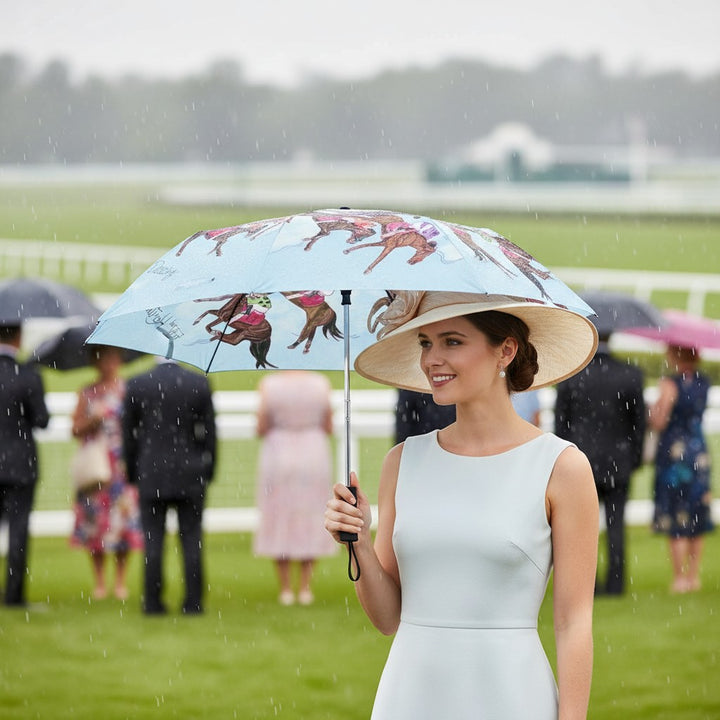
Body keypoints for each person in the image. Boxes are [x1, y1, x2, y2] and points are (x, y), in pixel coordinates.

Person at [325, 291, 599, 719]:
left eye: (452, 341)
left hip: (512, 696)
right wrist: (357, 541)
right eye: (425, 343)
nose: (432, 358)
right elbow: (388, 618)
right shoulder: (402, 461)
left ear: (505, 350)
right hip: (409, 695)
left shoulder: (562, 468)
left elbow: (574, 622)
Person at [122, 358, 217, 615]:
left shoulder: (137, 384)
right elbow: (210, 431)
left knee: (153, 540)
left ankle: (152, 602)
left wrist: (132, 472)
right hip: (191, 471)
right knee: (192, 539)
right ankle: (193, 603)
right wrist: (209, 469)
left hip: (151, 471)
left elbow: (128, 435)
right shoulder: (199, 383)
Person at [554, 334, 646, 595]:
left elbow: (562, 423)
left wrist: (562, 461)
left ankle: (588, 585)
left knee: (582, 528)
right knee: (616, 525)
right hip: (619, 460)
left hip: (580, 462)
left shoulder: (572, 375)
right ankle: (616, 585)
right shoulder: (630, 374)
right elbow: (639, 426)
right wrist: (634, 459)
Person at [254, 370, 337, 605]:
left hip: (278, 453)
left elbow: (261, 426)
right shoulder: (321, 383)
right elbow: (328, 425)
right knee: (310, 516)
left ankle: (286, 588)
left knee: (279, 515)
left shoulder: (268, 384)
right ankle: (305, 586)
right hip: (313, 453)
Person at [70, 344, 143, 600]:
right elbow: (75, 429)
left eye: (113, 358)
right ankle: (100, 581)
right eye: (102, 358)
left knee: (122, 522)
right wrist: (94, 419)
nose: (108, 363)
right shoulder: (87, 392)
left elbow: (139, 426)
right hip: (96, 467)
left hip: (121, 465)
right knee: (95, 522)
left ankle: (120, 580)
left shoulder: (128, 391)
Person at [648, 343, 713, 594]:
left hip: (675, 455)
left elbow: (658, 421)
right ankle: (694, 575)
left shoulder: (670, 383)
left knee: (676, 512)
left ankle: (679, 576)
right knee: (696, 511)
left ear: (676, 354)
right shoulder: (703, 382)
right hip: (699, 453)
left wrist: (658, 402)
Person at [0, 323, 49, 607]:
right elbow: (41, 420)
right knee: (18, 530)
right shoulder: (29, 375)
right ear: (18, 337)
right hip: (19, 464)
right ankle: (14, 595)